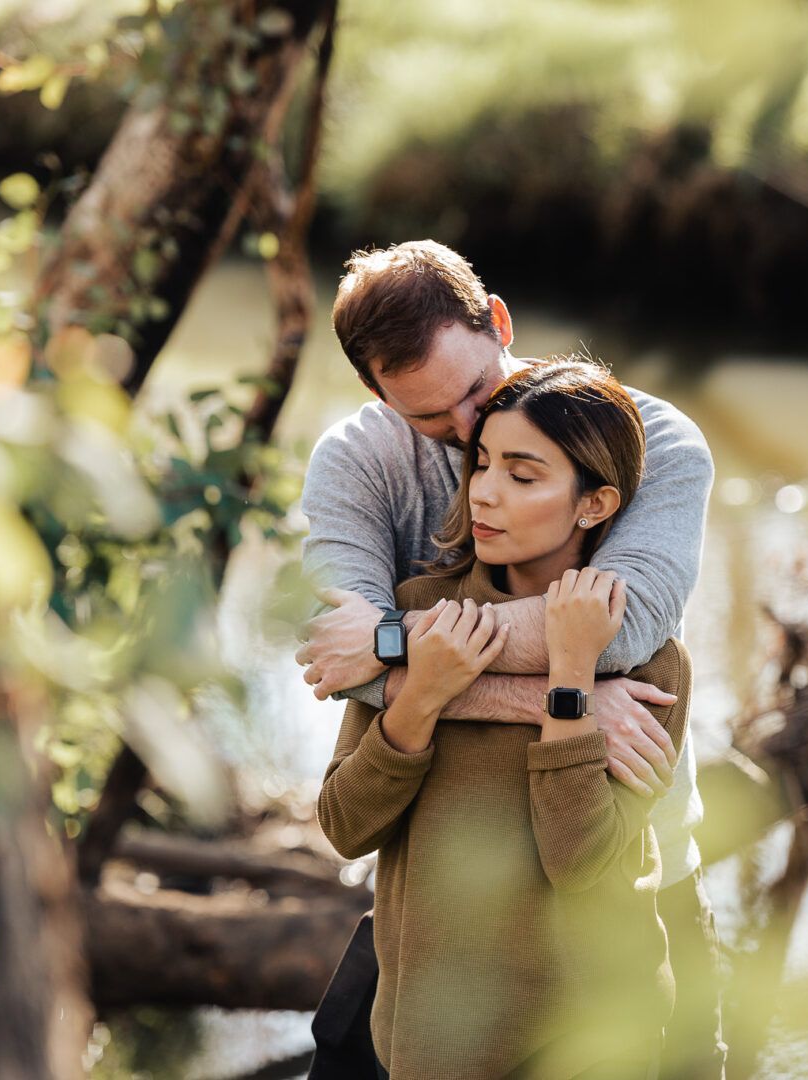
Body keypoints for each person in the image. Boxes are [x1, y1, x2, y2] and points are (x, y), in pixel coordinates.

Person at [298, 241, 725, 1078]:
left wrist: (401, 653)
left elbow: (622, 629)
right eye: (428, 416)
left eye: (473, 393)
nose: (464, 442)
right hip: (433, 913)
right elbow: (341, 655)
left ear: (498, 322)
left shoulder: (650, 439)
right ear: (374, 389)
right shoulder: (356, 461)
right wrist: (569, 705)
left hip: (630, 884)